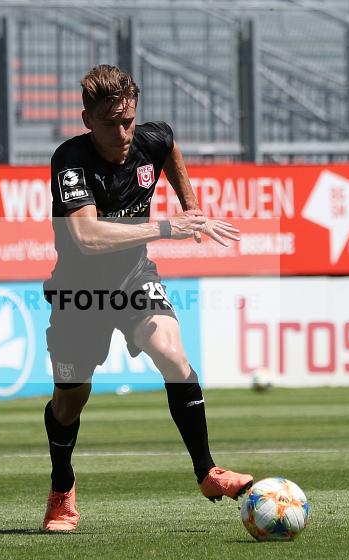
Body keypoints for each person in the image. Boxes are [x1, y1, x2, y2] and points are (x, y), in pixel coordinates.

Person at [41, 64, 252, 532]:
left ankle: (207, 472)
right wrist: (166, 227)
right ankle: (62, 489)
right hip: (79, 292)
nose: (122, 132)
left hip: (134, 277)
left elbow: (170, 146)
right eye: (110, 123)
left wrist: (191, 205)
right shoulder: (70, 161)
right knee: (70, 400)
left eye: (128, 120)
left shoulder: (149, 140)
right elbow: (87, 238)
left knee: (173, 356)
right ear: (86, 120)